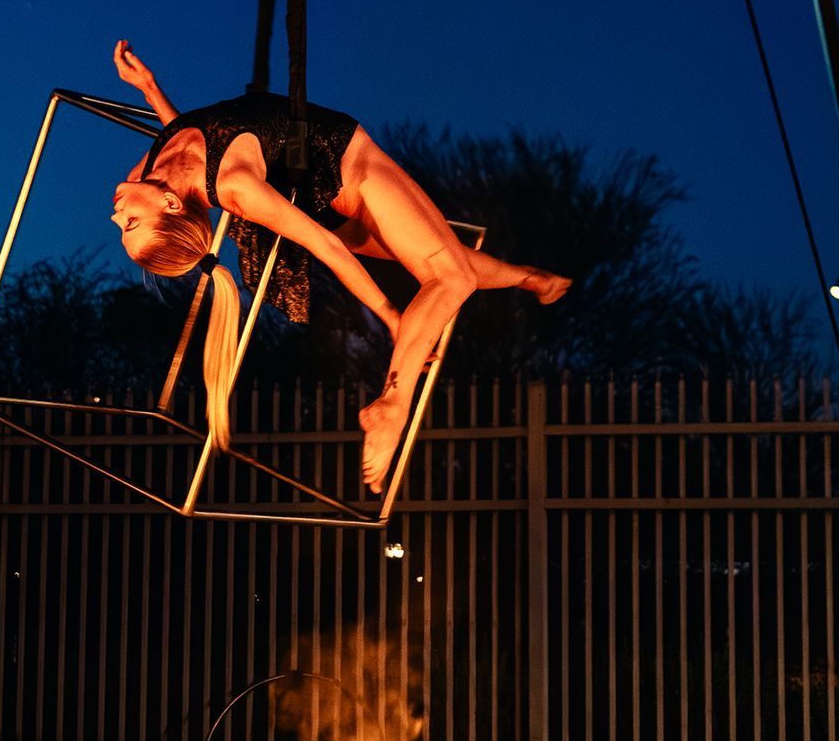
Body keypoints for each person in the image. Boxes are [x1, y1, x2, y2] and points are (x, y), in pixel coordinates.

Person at [109, 40, 570, 490]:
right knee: (451, 276)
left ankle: (533, 279)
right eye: (131, 223)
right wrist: (390, 316)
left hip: (309, 188)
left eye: (124, 224)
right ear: (171, 206)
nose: (116, 215)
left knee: (438, 252)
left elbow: (185, 138)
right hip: (349, 171)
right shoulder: (234, 186)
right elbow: (327, 247)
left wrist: (149, 88)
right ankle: (393, 405)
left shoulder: (148, 172)